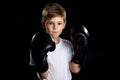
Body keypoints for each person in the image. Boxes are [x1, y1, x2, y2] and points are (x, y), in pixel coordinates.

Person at [30, 2, 89, 80]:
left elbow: (75, 70)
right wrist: (41, 59)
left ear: (64, 24)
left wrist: (80, 52)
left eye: (59, 23)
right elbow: (44, 76)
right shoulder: (38, 44)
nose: (55, 27)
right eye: (51, 23)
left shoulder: (68, 44)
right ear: (43, 24)